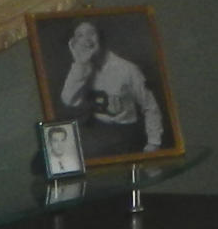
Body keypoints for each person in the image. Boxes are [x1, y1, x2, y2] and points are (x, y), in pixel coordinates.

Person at [58, 19, 166, 159]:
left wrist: (154, 142)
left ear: (100, 37)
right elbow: (69, 100)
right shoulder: (81, 68)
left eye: (91, 33)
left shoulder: (127, 69)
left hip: (126, 135)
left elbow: (150, 107)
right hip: (98, 135)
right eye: (80, 35)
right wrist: (80, 64)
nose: (86, 40)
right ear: (74, 42)